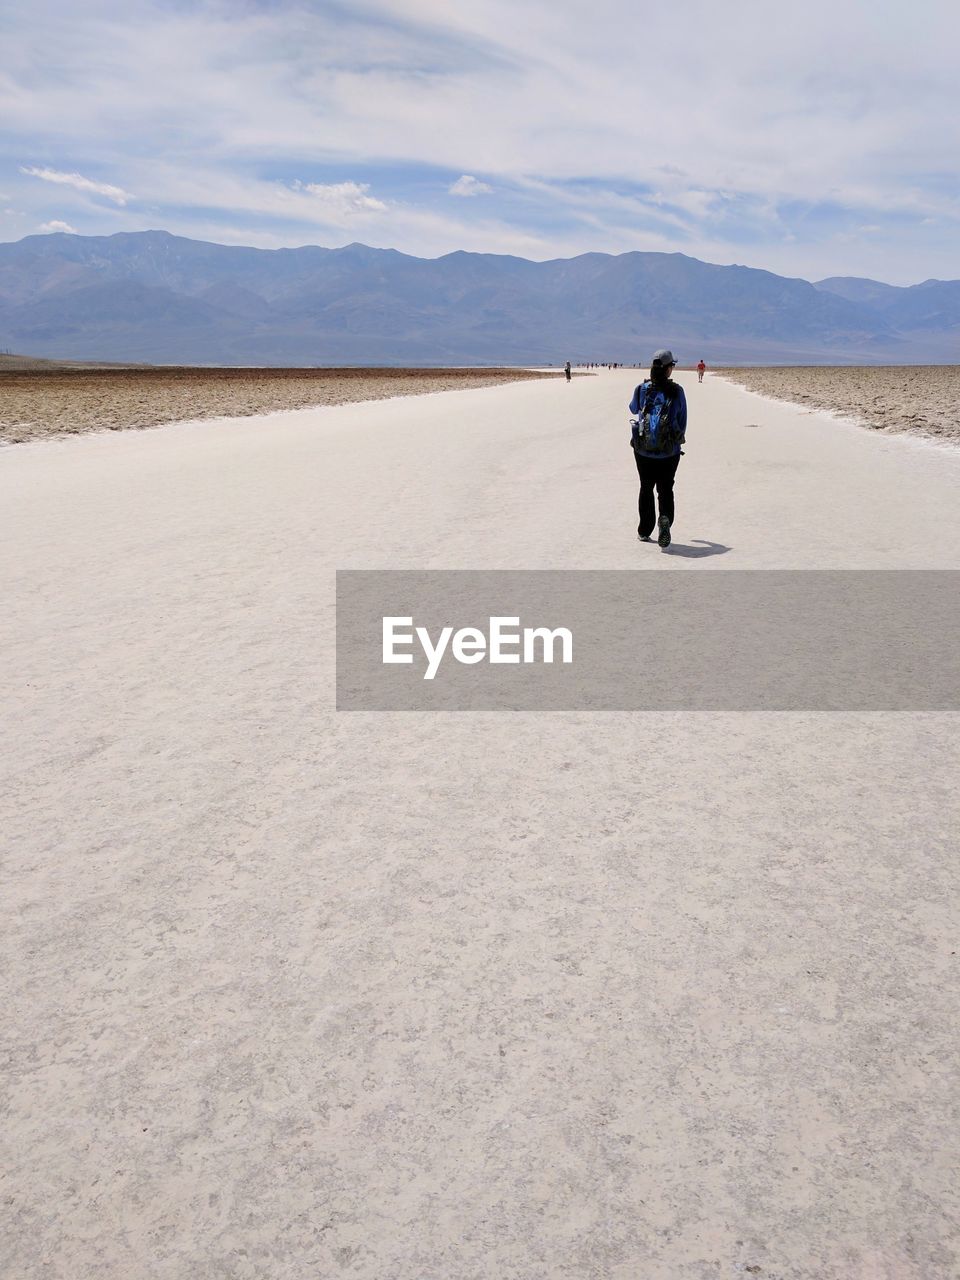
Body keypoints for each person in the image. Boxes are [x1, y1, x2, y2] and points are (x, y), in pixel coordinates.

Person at [629, 349, 687, 547]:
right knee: (665, 489)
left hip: (643, 450)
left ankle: (644, 530)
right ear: (669, 369)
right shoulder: (677, 391)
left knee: (646, 487)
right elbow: (682, 420)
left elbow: (633, 408)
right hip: (669, 451)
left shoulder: (642, 388)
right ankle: (665, 520)